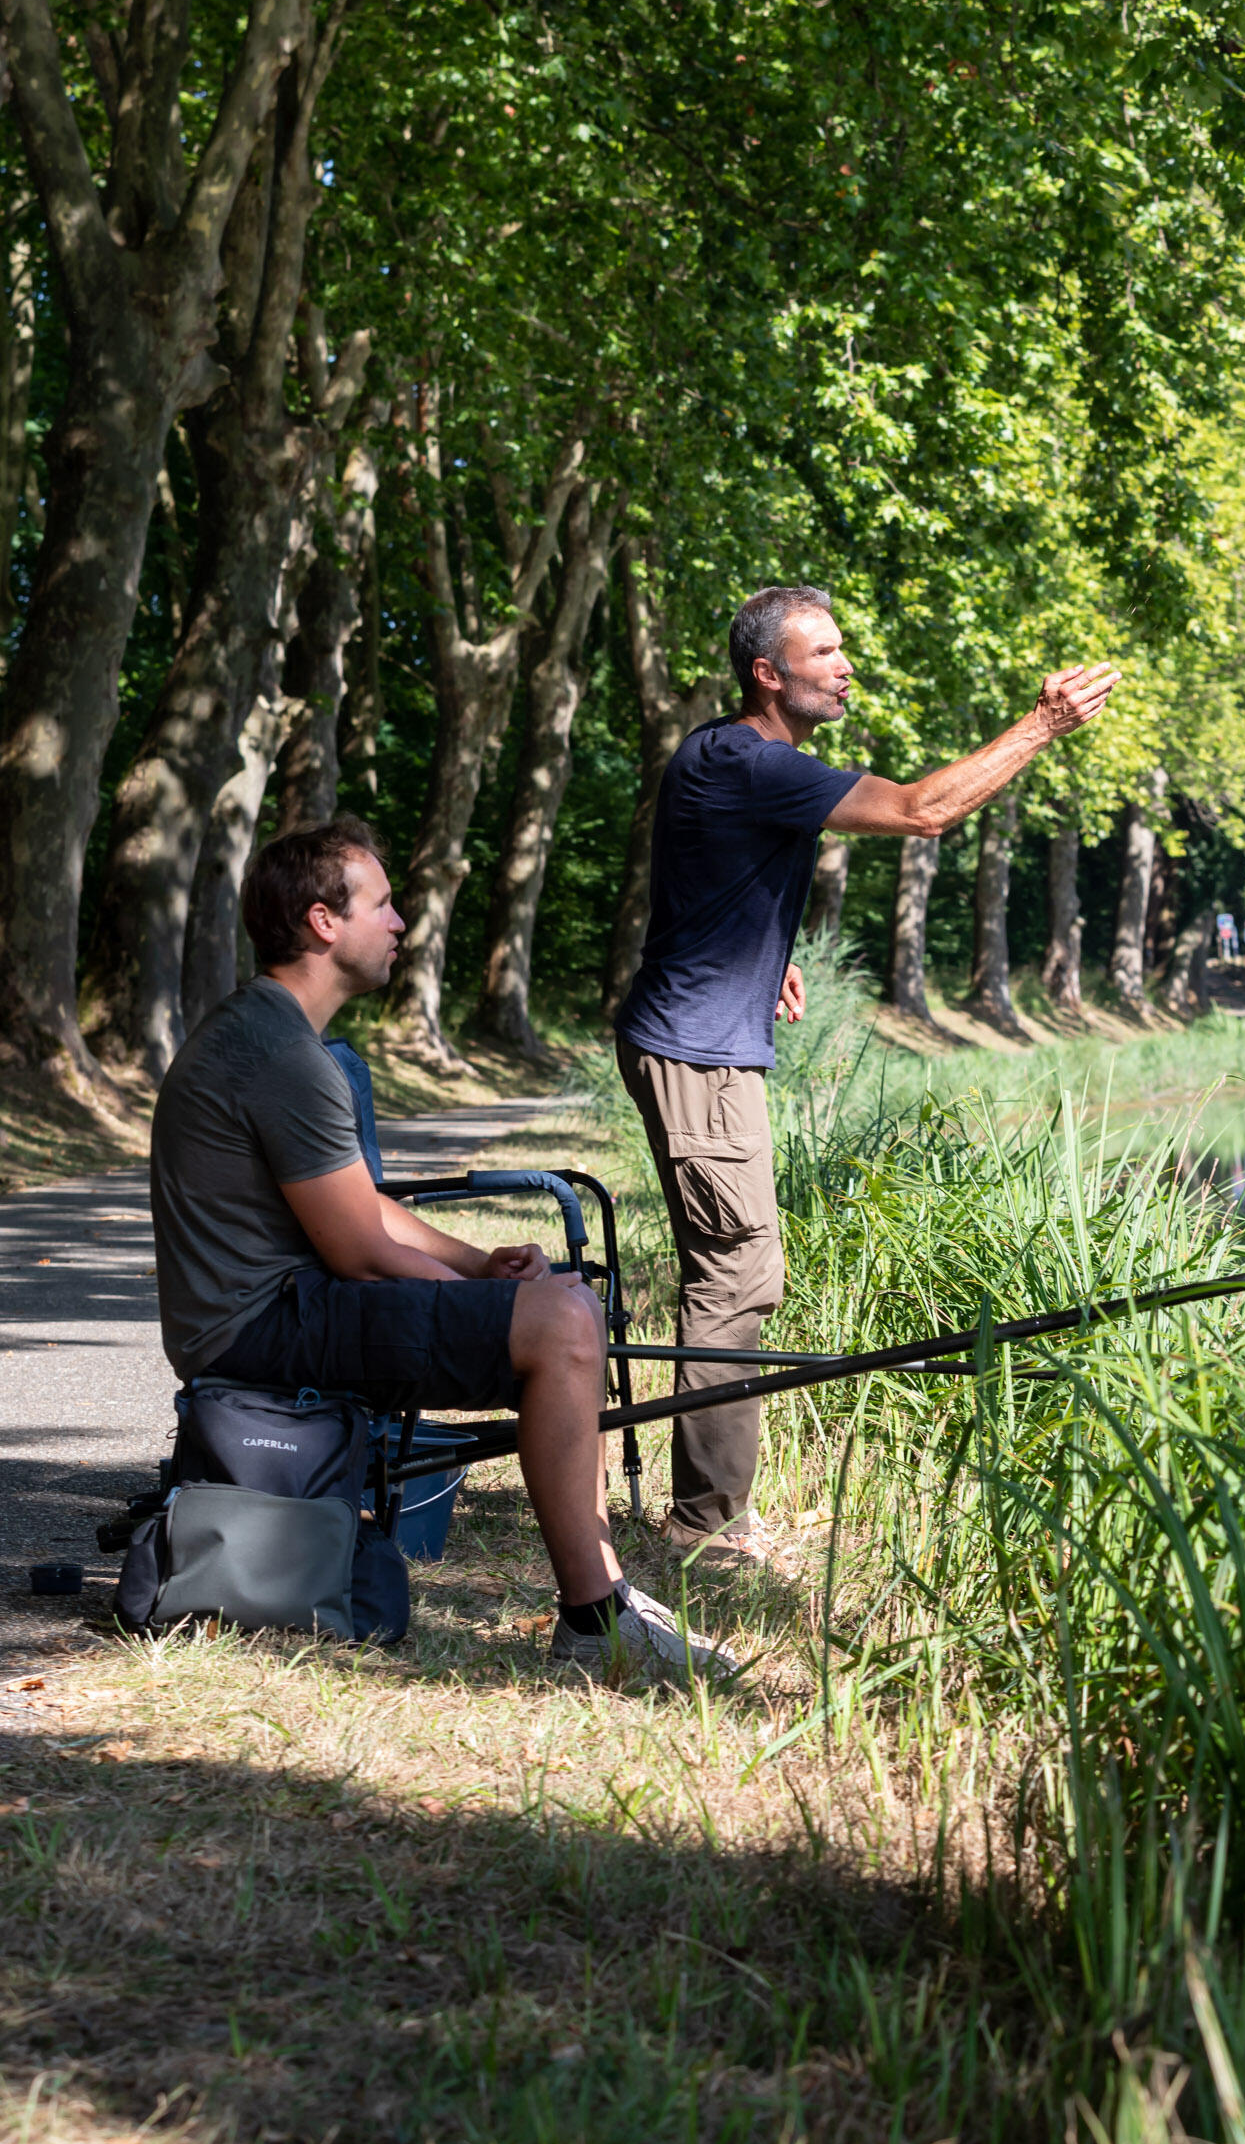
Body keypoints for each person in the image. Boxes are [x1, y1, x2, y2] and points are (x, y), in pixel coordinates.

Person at [151, 816, 729, 1679]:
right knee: (565, 1325)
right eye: (382, 906)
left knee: (557, 1307)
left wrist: (475, 1266)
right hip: (256, 1328)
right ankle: (594, 1614)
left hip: (268, 1310)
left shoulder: (271, 1033)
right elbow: (361, 1253)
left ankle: (601, 1596)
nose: (399, 923)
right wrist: (507, 1309)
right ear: (323, 922)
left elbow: (364, 1209)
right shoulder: (280, 1053)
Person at [615, 584, 1116, 1567]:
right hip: (696, 1055)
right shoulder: (749, 760)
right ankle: (703, 1529)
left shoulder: (734, 760)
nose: (845, 666)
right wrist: (1042, 723)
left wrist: (769, 954)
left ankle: (714, 1513)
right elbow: (923, 810)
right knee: (736, 1276)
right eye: (825, 652)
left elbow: (708, 876)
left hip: (702, 1041)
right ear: (769, 673)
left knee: (740, 1272)